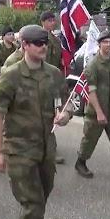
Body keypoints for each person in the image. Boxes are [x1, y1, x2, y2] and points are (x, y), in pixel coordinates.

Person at [0, 24, 74, 219]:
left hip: (46, 150)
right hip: (20, 151)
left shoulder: (54, 74)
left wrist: (65, 115)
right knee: (33, 204)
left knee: (40, 200)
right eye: (37, 43)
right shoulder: (11, 76)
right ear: (24, 45)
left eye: (45, 42)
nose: (43, 47)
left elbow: (67, 103)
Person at [75, 30, 110, 179]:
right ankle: (80, 162)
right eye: (105, 42)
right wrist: (99, 112)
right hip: (96, 111)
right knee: (89, 140)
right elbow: (91, 91)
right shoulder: (93, 65)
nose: (109, 44)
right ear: (99, 44)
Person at [40, 11, 65, 165]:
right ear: (42, 22)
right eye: (49, 21)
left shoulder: (55, 39)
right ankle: (48, 151)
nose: (52, 23)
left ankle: (49, 150)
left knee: (50, 116)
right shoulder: (40, 38)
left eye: (53, 20)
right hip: (42, 81)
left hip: (53, 80)